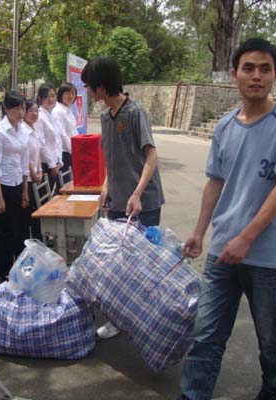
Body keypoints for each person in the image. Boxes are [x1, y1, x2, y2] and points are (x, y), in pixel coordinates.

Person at [177, 38, 276, 400]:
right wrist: (200, 232)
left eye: (265, 69)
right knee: (206, 334)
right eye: (248, 68)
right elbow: (215, 182)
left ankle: (275, 387)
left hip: (267, 255)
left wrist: (246, 238)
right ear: (234, 75)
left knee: (269, 334)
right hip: (222, 251)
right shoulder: (224, 127)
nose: (256, 76)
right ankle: (192, 395)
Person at [81, 56, 165, 339]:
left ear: (102, 86)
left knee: (143, 263)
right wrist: (106, 186)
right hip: (117, 202)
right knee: (118, 264)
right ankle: (120, 317)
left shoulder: (135, 113)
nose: (90, 93)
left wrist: (138, 193)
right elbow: (112, 158)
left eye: (91, 87)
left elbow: (151, 156)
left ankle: (148, 318)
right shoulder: (106, 117)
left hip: (143, 202)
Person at [0, 91, 30, 282]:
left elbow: (24, 162)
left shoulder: (23, 130)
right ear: (6, 109)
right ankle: (2, 271)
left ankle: (17, 267)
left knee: (17, 228)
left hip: (17, 183)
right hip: (0, 185)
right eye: (16, 108)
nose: (21, 112)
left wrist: (25, 190)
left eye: (23, 107)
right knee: (0, 229)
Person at [21, 100, 43, 241]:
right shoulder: (23, 131)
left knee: (37, 213)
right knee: (29, 215)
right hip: (27, 180)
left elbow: (37, 153)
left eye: (36, 110)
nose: (34, 114)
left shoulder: (34, 130)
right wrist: (34, 174)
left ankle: (38, 241)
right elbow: (25, 156)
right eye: (31, 111)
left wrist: (40, 170)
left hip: (35, 177)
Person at [35, 84, 63, 193]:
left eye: (52, 96)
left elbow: (58, 140)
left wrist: (59, 161)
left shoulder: (52, 114)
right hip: (46, 165)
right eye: (46, 97)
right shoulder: (40, 116)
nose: (50, 99)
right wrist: (52, 166)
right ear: (40, 98)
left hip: (55, 163)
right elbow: (41, 144)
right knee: (45, 197)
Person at [53, 82, 78, 182]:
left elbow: (73, 131)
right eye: (67, 93)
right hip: (64, 153)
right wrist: (74, 151)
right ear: (61, 94)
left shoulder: (68, 110)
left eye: (72, 93)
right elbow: (62, 134)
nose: (70, 96)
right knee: (65, 184)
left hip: (70, 152)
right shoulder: (58, 111)